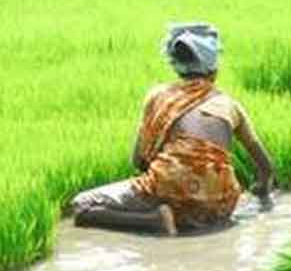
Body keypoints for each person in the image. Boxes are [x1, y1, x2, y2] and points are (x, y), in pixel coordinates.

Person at [72, 24, 275, 236]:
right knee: (191, 202)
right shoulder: (230, 104)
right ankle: (178, 215)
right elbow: (266, 167)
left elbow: (138, 161)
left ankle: (153, 220)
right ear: (214, 69)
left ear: (176, 66)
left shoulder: (159, 95)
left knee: (82, 205)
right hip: (222, 201)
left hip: (170, 189)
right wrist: (262, 188)